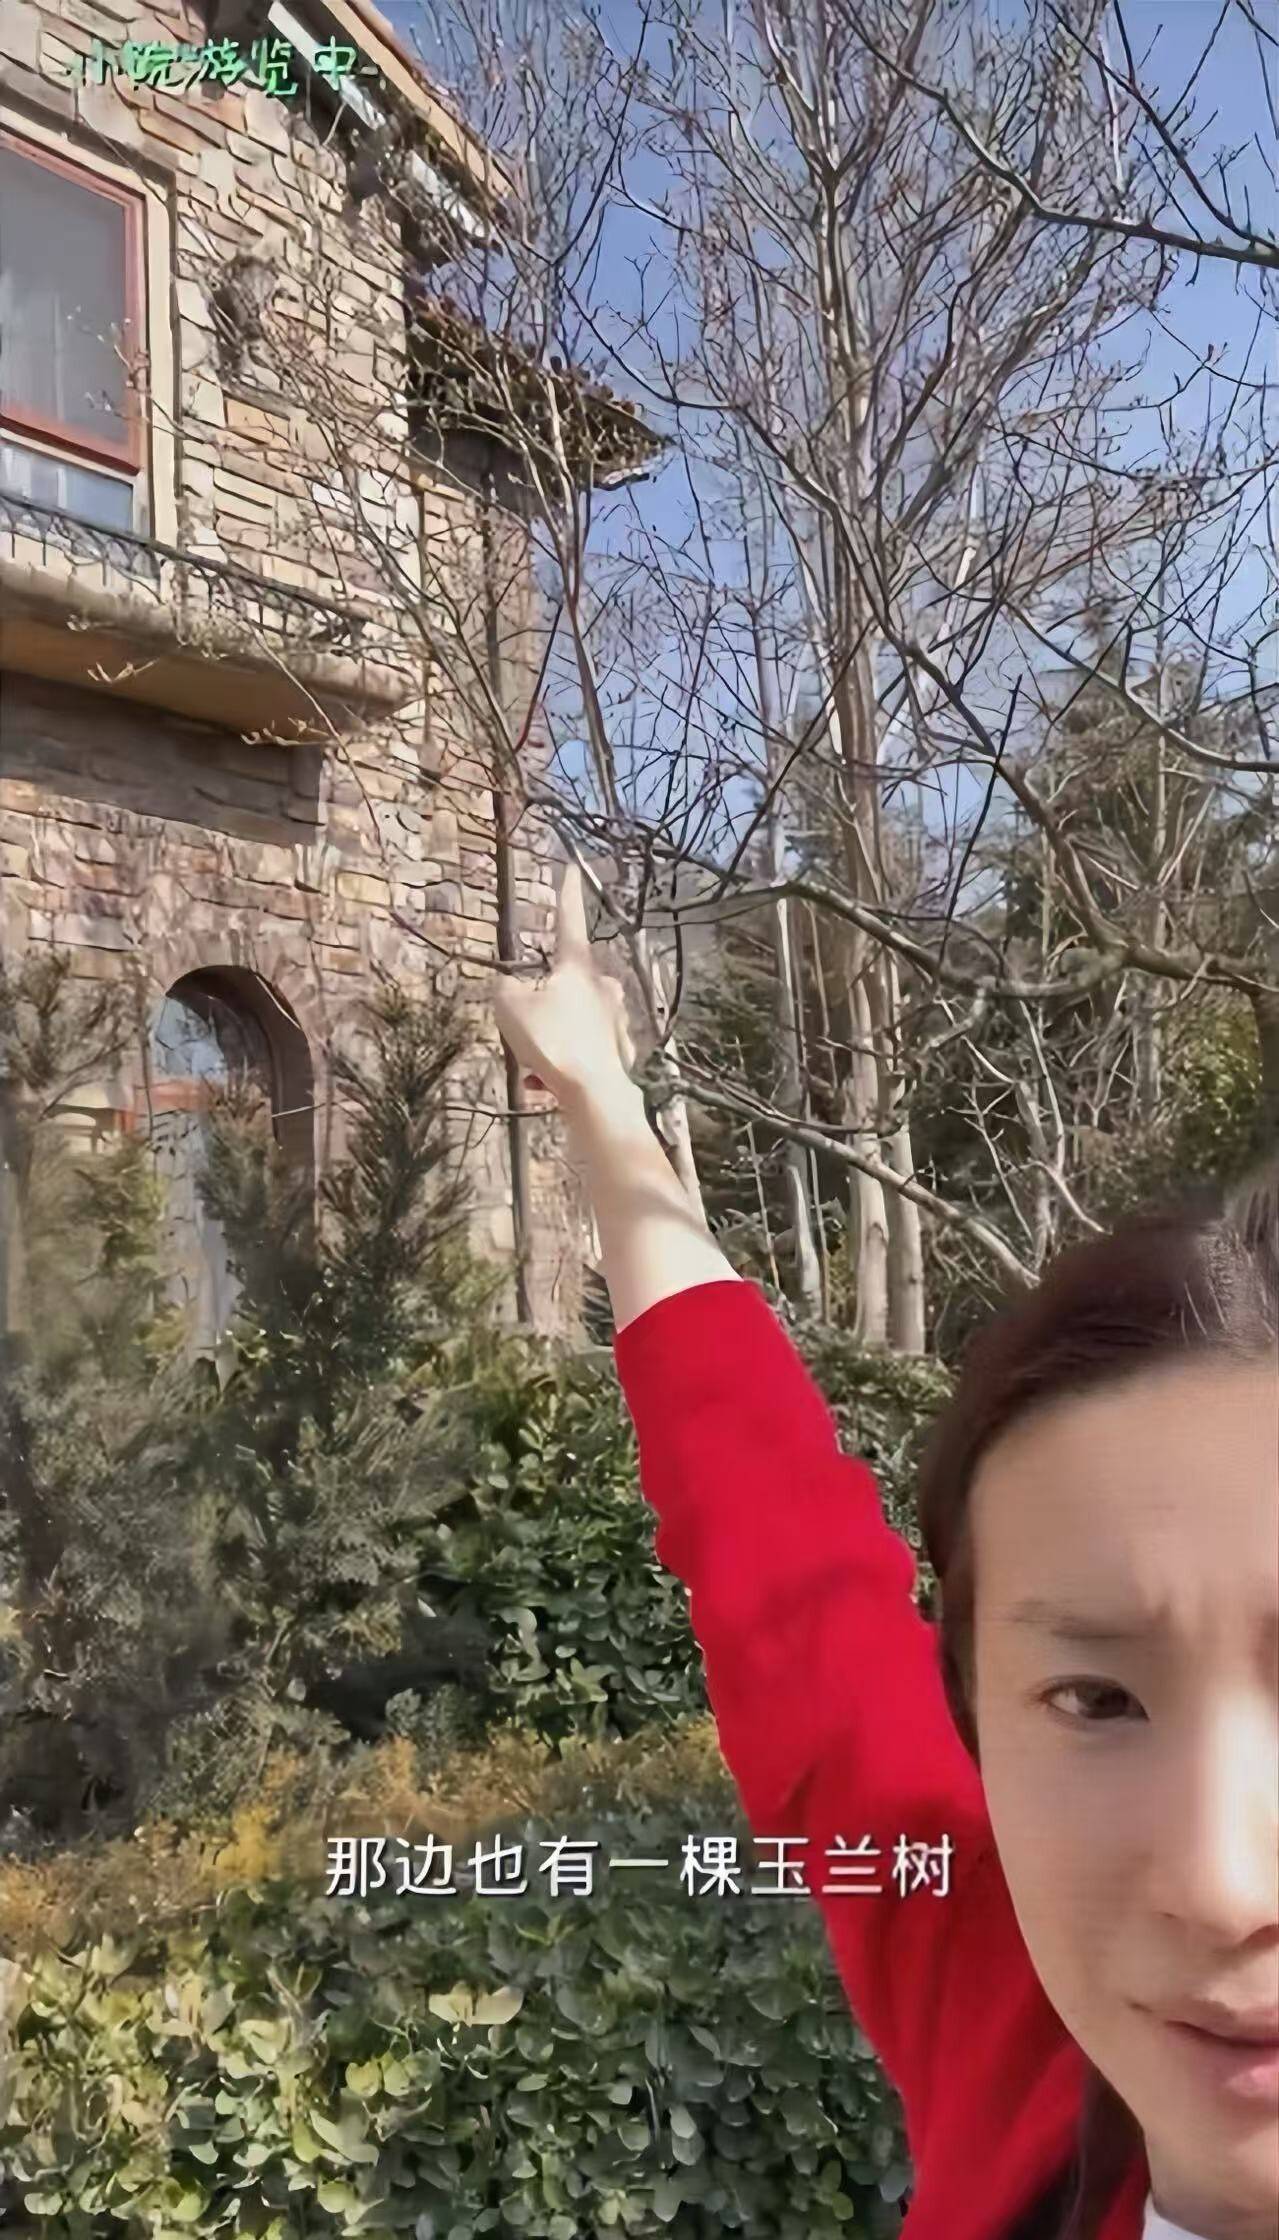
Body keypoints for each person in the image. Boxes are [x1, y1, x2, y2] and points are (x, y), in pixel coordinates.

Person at [492, 865, 1279, 2240]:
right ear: (978, 1714)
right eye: (1097, 1699)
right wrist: (605, 1104)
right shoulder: (1013, 2036)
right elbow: (778, 1551)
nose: (1221, 1889)